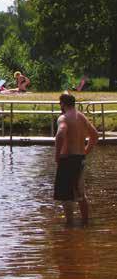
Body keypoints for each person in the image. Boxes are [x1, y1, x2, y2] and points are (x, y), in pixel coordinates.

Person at [54, 91, 99, 226]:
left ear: (62, 104)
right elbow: (95, 135)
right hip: (80, 158)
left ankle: (69, 225)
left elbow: (60, 134)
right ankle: (85, 223)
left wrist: (57, 156)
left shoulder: (64, 118)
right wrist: (85, 151)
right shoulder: (81, 117)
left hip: (67, 159)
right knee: (80, 193)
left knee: (66, 196)